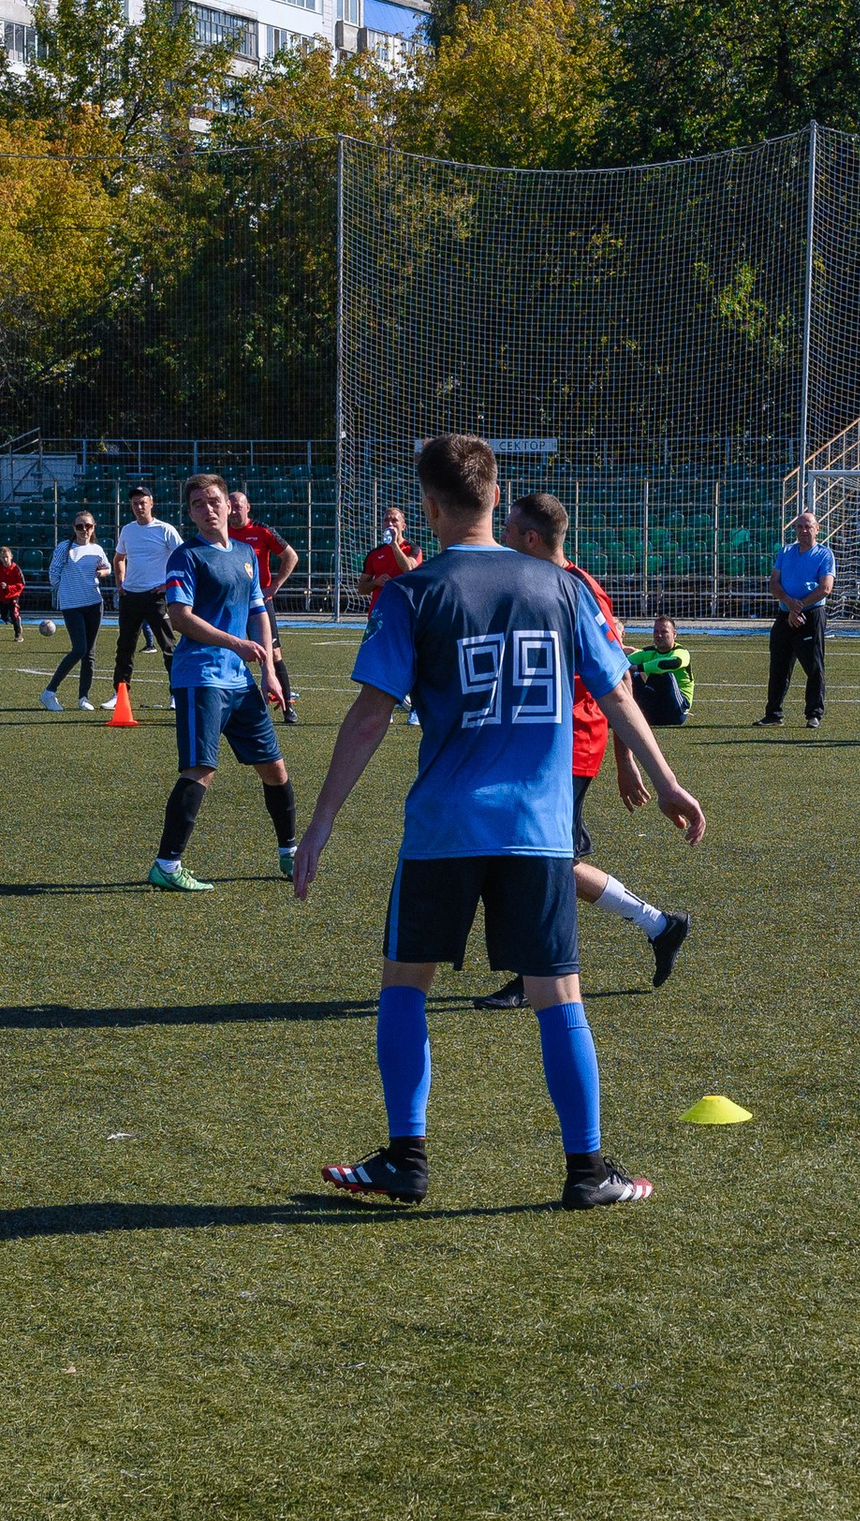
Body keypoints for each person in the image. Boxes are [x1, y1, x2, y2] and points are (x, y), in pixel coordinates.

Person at [292, 433, 706, 1211]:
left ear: (429, 506)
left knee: (405, 984)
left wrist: (321, 823)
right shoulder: (563, 587)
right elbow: (617, 692)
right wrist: (668, 781)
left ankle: (406, 1158)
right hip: (539, 829)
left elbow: (371, 715)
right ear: (493, 495)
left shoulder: (413, 592)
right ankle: (587, 1170)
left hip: (445, 826)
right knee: (558, 994)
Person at [474, 493, 692, 1008]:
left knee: (535, 860)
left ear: (531, 538)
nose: (502, 537)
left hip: (571, 744)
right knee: (550, 862)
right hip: (538, 743)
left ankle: (535, 976)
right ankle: (659, 925)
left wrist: (626, 761)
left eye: (509, 530)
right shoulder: (534, 581)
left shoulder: (580, 590)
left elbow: (619, 680)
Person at [146, 472, 295, 892]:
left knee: (275, 768)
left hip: (240, 680)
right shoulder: (186, 556)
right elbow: (180, 618)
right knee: (201, 769)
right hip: (202, 677)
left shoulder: (246, 553)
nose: (208, 509)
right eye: (198, 504)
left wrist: (268, 672)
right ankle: (167, 865)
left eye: (214, 501)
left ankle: (290, 852)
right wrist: (236, 644)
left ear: (229, 506)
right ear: (190, 513)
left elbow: (258, 611)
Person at [227, 486, 302, 722]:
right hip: (230, 602)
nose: (234, 511)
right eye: (230, 507)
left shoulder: (262, 531)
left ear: (248, 508)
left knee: (273, 653)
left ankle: (287, 707)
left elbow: (291, 556)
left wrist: (275, 586)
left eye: (238, 506)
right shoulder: (221, 533)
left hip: (258, 602)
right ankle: (229, 708)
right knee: (229, 649)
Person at [761, 508, 835, 726]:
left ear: (817, 529)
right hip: (785, 614)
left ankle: (814, 714)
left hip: (811, 616)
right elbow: (774, 583)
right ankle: (773, 714)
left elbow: (825, 588)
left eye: (808, 526)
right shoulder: (785, 552)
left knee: (813, 666)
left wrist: (798, 607)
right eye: (800, 526)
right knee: (778, 666)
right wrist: (790, 604)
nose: (803, 530)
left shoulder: (824, 554)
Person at [111, 481, 181, 694]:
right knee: (125, 647)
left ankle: (176, 693)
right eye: (135, 503)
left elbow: (183, 558)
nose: (139, 507)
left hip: (155, 596)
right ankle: (120, 694)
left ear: (151, 503)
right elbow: (119, 558)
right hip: (130, 596)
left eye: (142, 502)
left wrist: (168, 585)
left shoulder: (165, 529)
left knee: (168, 646)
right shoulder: (128, 530)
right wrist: (120, 582)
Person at [363, 503, 425, 729]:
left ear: (403, 526)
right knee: (382, 663)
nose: (389, 524)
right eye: (386, 520)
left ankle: (416, 709)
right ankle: (386, 709)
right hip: (379, 616)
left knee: (412, 661)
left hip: (407, 614)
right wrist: (375, 582)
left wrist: (394, 546)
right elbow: (361, 587)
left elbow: (410, 569)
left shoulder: (413, 549)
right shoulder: (374, 554)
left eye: (394, 520)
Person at [42, 511, 110, 711]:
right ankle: (49, 692)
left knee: (90, 653)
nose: (84, 530)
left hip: (94, 604)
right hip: (72, 605)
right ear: (74, 528)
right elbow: (53, 573)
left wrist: (102, 572)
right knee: (79, 648)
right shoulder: (65, 548)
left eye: (88, 526)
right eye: (79, 526)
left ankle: (83, 698)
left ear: (94, 527)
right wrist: (65, 591)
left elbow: (107, 568)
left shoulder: (97, 549)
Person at [632, 616, 693, 726]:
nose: (659, 635)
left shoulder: (681, 652)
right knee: (630, 675)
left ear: (674, 634)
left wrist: (639, 667)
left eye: (664, 632)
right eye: (656, 631)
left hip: (676, 712)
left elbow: (673, 663)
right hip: (655, 711)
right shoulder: (648, 652)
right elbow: (624, 662)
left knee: (665, 676)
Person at [0, 546, 26, 639]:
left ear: (11, 557)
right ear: (0, 558)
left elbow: (21, 584)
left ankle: (18, 634)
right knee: (4, 617)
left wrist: (8, 587)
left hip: (13, 595)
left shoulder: (16, 569)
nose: (5, 559)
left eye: (7, 557)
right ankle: (15, 621)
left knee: (14, 613)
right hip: (2, 597)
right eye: (3, 557)